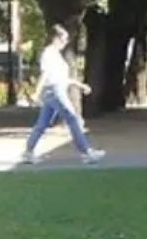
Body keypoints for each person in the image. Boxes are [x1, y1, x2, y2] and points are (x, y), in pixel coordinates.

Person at [20, 24, 105, 164]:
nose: (66, 42)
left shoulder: (56, 54)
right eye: (64, 39)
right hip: (55, 91)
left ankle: (28, 152)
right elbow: (45, 74)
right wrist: (36, 92)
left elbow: (62, 78)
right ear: (56, 38)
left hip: (54, 90)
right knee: (73, 119)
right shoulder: (49, 54)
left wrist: (80, 85)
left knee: (42, 124)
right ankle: (86, 152)